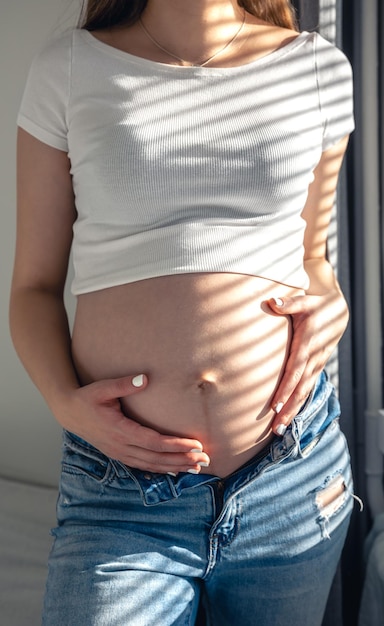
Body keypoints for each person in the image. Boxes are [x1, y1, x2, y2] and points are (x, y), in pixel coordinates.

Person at [10, 0, 357, 624]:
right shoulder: (67, 67)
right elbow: (33, 287)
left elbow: (313, 259)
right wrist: (66, 403)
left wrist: (335, 303)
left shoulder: (317, 67)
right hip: (120, 487)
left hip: (290, 471)